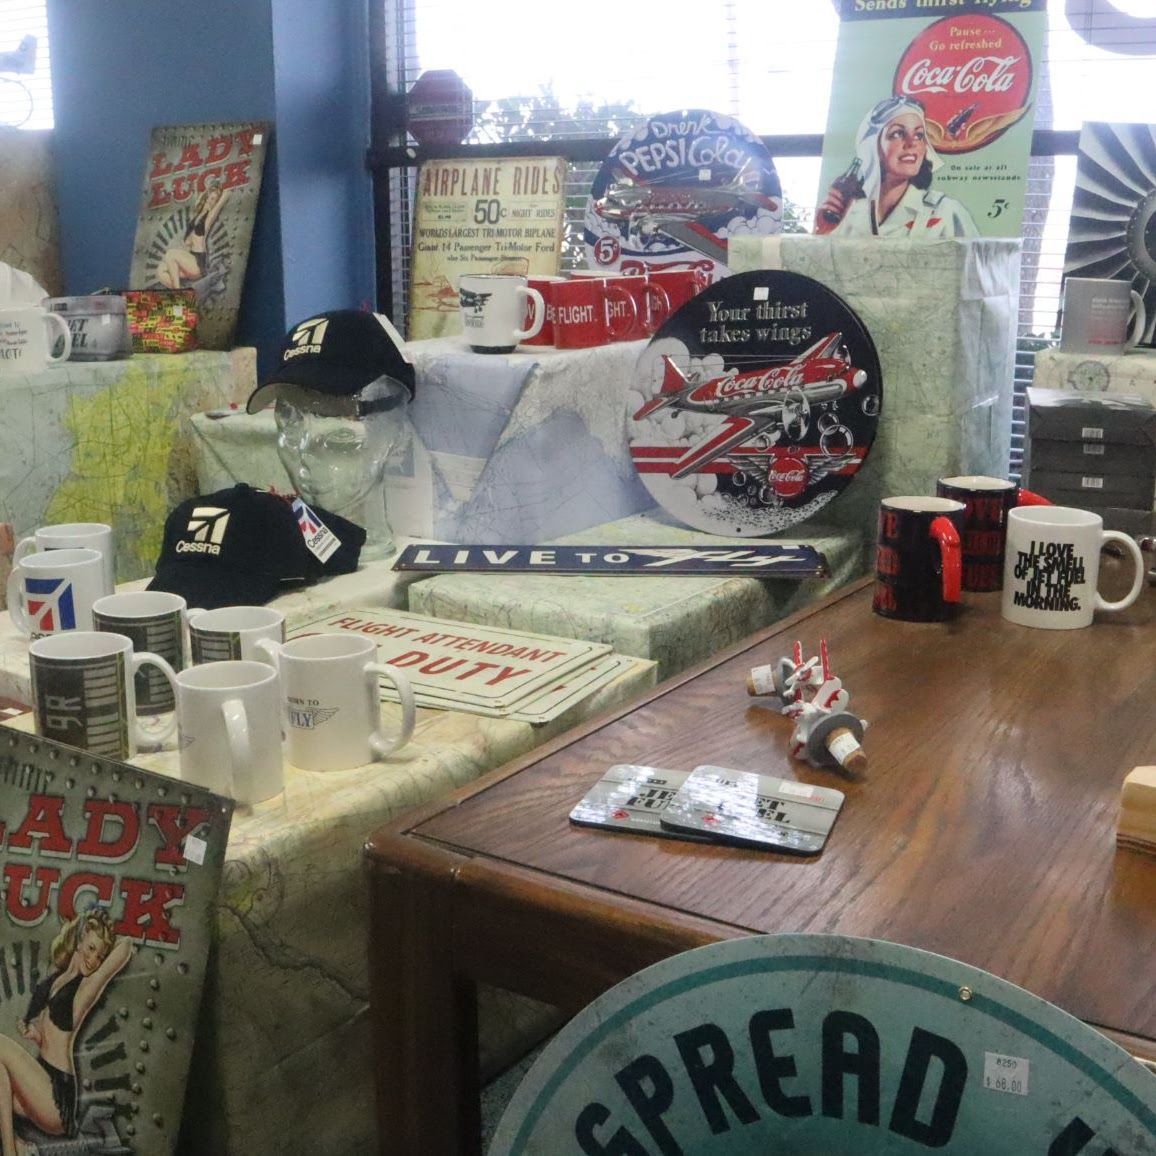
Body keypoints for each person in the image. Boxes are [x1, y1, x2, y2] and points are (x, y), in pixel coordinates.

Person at [0, 908, 132, 1155]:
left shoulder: (85, 989)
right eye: (91, 948)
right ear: (79, 940)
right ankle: (20, 1147)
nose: (93, 960)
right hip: (41, 1086)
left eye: (100, 956)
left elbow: (125, 948)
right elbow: (51, 1037)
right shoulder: (57, 980)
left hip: (57, 1097)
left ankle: (9, 1152)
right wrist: (34, 1034)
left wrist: (110, 927)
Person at [815, 96, 978, 240]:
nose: (912, 143)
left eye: (919, 135)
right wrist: (823, 231)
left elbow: (977, 263)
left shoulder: (946, 211)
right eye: (898, 133)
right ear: (873, 146)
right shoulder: (847, 214)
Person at [156, 181, 228, 289]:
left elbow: (226, 194)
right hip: (190, 258)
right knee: (160, 270)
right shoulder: (198, 215)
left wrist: (220, 192)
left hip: (198, 263)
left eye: (214, 199)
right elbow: (188, 241)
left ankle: (178, 294)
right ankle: (183, 293)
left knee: (170, 254)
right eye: (210, 197)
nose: (211, 201)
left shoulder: (209, 217)